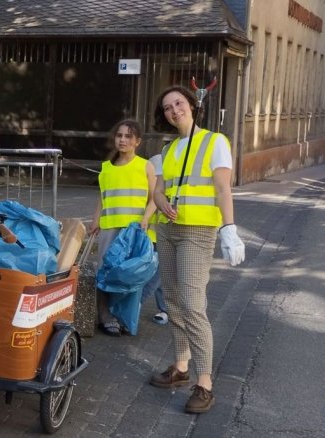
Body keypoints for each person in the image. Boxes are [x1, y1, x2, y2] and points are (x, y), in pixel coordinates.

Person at [149, 85, 245, 414]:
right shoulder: (168, 149)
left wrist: (229, 228)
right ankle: (180, 367)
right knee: (173, 301)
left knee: (192, 304)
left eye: (179, 103)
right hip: (167, 229)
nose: (174, 110)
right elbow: (158, 190)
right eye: (167, 108)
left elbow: (222, 187)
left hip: (198, 231)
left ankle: (204, 383)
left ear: (191, 105)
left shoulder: (215, 142)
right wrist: (161, 201)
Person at [88, 119, 156, 337]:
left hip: (134, 231)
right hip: (110, 228)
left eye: (128, 136)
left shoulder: (145, 166)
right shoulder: (106, 168)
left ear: (137, 141)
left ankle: (124, 317)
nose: (123, 140)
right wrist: (96, 220)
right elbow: (103, 197)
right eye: (119, 135)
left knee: (130, 274)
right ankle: (105, 316)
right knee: (105, 272)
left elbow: (155, 198)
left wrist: (146, 219)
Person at [142, 152, 168, 325]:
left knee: (159, 272)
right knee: (158, 272)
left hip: (167, 233)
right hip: (150, 233)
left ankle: (140, 301)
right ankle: (165, 308)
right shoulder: (154, 161)